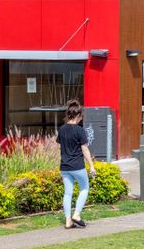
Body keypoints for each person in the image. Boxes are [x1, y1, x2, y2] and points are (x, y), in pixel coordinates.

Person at [56, 99, 96, 230]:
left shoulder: (61, 129)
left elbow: (61, 146)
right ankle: (77, 215)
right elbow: (84, 149)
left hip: (64, 167)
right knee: (84, 188)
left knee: (68, 193)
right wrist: (91, 166)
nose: (81, 119)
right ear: (78, 115)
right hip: (77, 166)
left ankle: (68, 221)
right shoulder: (79, 130)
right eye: (81, 116)